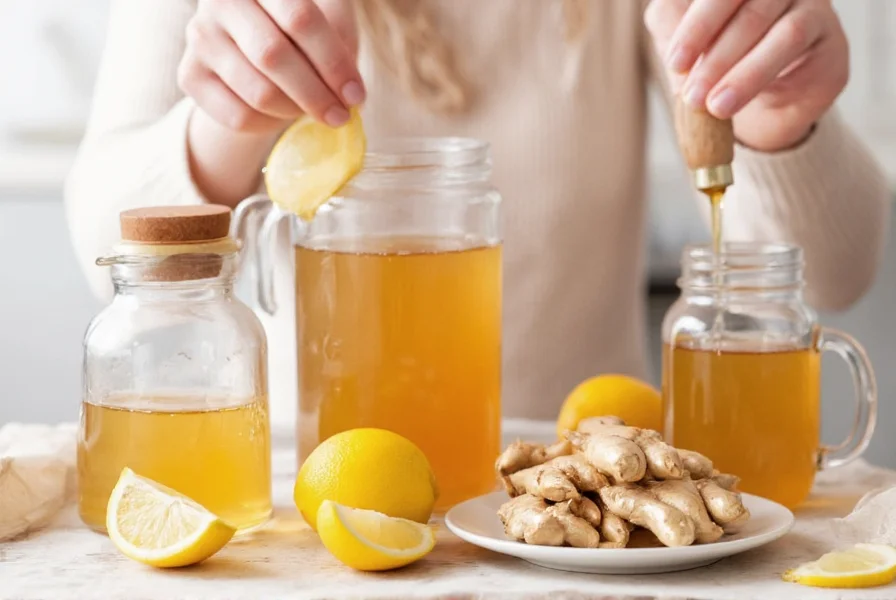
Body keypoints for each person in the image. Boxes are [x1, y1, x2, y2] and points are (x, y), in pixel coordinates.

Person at [65, 0, 891, 426]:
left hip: (584, 521)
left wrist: (783, 125)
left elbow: (834, 274)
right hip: (318, 518)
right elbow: (108, 257)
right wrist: (226, 123)